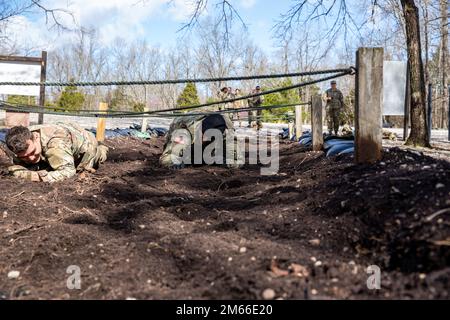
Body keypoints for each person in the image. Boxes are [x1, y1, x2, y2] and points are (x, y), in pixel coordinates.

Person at [5, 123, 108, 183]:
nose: (31, 158)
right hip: (67, 133)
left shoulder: (55, 145)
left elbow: (68, 172)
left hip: (87, 145)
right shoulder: (20, 141)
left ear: (35, 137)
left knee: (96, 157)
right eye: (24, 157)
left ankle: (103, 148)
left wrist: (36, 177)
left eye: (32, 152)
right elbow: (18, 164)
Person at [159, 114, 242, 169]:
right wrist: (183, 162)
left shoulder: (227, 131)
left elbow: (238, 160)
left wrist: (223, 162)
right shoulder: (185, 131)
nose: (203, 140)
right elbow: (166, 160)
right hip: (183, 124)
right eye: (202, 136)